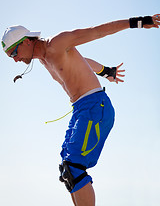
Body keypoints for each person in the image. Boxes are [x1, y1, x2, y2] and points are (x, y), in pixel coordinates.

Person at [1, 14, 160, 206]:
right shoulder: (45, 59)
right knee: (67, 170)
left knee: (74, 167)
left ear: (26, 41)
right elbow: (83, 61)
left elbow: (97, 31)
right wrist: (106, 71)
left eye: (13, 53)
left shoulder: (57, 43)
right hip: (80, 110)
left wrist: (139, 22)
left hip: (94, 106)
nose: (15, 59)